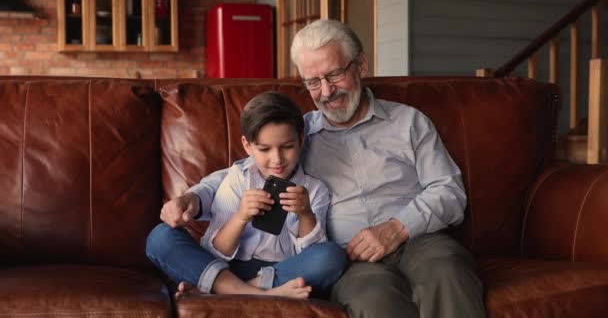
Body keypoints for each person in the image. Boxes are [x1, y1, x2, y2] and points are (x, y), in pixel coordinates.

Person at [155, 19, 485, 317]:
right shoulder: (300, 135)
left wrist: (397, 228)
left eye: (334, 75)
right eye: (313, 82)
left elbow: (450, 191)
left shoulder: (409, 122)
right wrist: (193, 198)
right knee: (373, 300)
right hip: (351, 258)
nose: (326, 92)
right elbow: (239, 173)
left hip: (419, 239)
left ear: (361, 65)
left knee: (446, 271)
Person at [146, 91, 347, 299]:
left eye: (287, 147)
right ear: (247, 146)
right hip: (227, 269)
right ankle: (257, 293)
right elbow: (215, 252)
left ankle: (222, 290)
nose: (276, 159)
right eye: (264, 149)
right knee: (160, 237)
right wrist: (240, 217)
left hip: (283, 271)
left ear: (301, 140)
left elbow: (312, 254)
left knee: (332, 256)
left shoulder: (314, 190)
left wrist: (305, 213)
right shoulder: (239, 178)